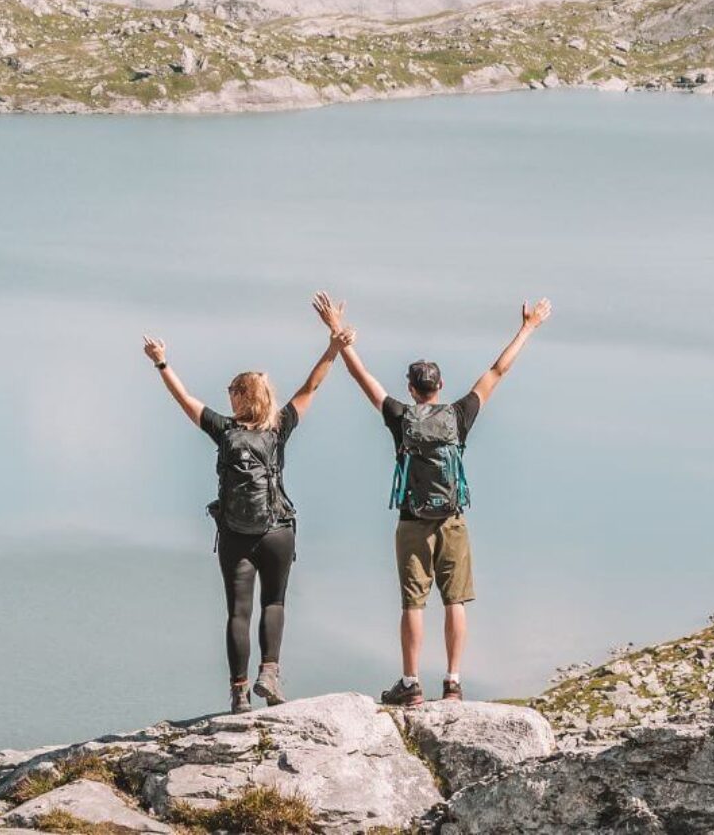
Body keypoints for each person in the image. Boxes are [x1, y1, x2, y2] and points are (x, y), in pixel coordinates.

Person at [314, 295, 551, 706]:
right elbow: (498, 370)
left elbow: (361, 375)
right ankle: (453, 683)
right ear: (439, 388)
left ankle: (410, 683)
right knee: (454, 599)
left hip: (412, 521)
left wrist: (337, 330)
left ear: (411, 388)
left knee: (413, 603)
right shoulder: (459, 415)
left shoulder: (400, 416)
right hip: (452, 520)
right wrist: (528, 327)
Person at [144, 317, 349, 714]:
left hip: (236, 533)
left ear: (239, 396)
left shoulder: (223, 430)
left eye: (231, 391)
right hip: (277, 531)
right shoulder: (279, 427)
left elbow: (184, 399)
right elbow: (312, 386)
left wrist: (162, 363)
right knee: (274, 602)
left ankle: (239, 693)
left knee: (238, 611)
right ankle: (269, 672)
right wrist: (333, 349)